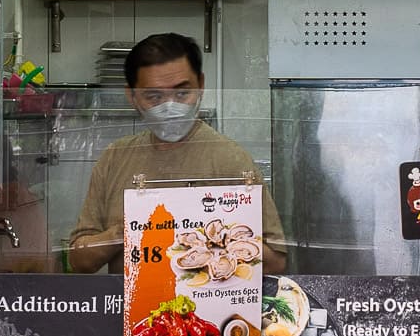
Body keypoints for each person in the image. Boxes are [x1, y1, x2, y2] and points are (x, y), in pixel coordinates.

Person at [66, 33, 287, 274]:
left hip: (209, 307)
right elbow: (79, 260)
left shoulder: (231, 160)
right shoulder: (115, 158)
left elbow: (276, 261)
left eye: (182, 93)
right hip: (130, 307)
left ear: (200, 85)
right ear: (132, 96)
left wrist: (212, 233)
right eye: (154, 96)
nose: (170, 107)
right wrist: (125, 230)